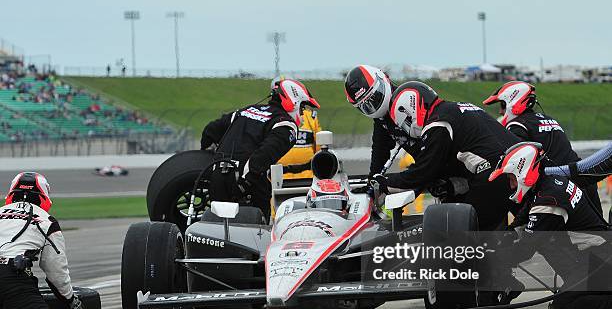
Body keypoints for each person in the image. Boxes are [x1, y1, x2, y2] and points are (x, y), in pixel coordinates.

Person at [345, 73, 519, 231]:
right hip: (507, 168)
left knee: (456, 230)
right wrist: (373, 180)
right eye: (365, 106)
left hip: (496, 175)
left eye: (374, 98)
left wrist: (384, 183)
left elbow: (425, 170)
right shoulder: (447, 111)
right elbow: (382, 152)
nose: (373, 106)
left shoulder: (438, 125)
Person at [489, 142, 612, 309]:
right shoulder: (548, 185)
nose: (511, 184)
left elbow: (525, 250)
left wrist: (488, 260)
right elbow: (521, 221)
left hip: (599, 262)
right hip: (594, 258)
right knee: (547, 241)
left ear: (523, 172)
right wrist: (500, 240)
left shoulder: (549, 199)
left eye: (512, 178)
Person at [201, 79, 320, 222]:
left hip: (218, 179)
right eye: (302, 108)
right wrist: (243, 184)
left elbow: (210, 131)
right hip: (248, 187)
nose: (301, 114)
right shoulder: (285, 124)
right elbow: (262, 157)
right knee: (255, 237)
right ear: (293, 101)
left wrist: (208, 159)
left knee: (216, 232)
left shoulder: (246, 110)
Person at [483, 81, 602, 214]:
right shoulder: (548, 119)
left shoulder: (516, 126)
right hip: (583, 182)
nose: (500, 110)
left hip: (559, 190)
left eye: (503, 105)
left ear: (513, 103)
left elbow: (517, 166)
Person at [0, 172, 85, 309]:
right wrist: (71, 301)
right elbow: (56, 272)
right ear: (44, 195)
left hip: (10, 274)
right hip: (11, 275)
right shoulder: (47, 221)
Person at [272, 76, 322, 179]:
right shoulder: (270, 117)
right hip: (278, 177)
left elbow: (319, 148)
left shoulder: (308, 116)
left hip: (307, 176)